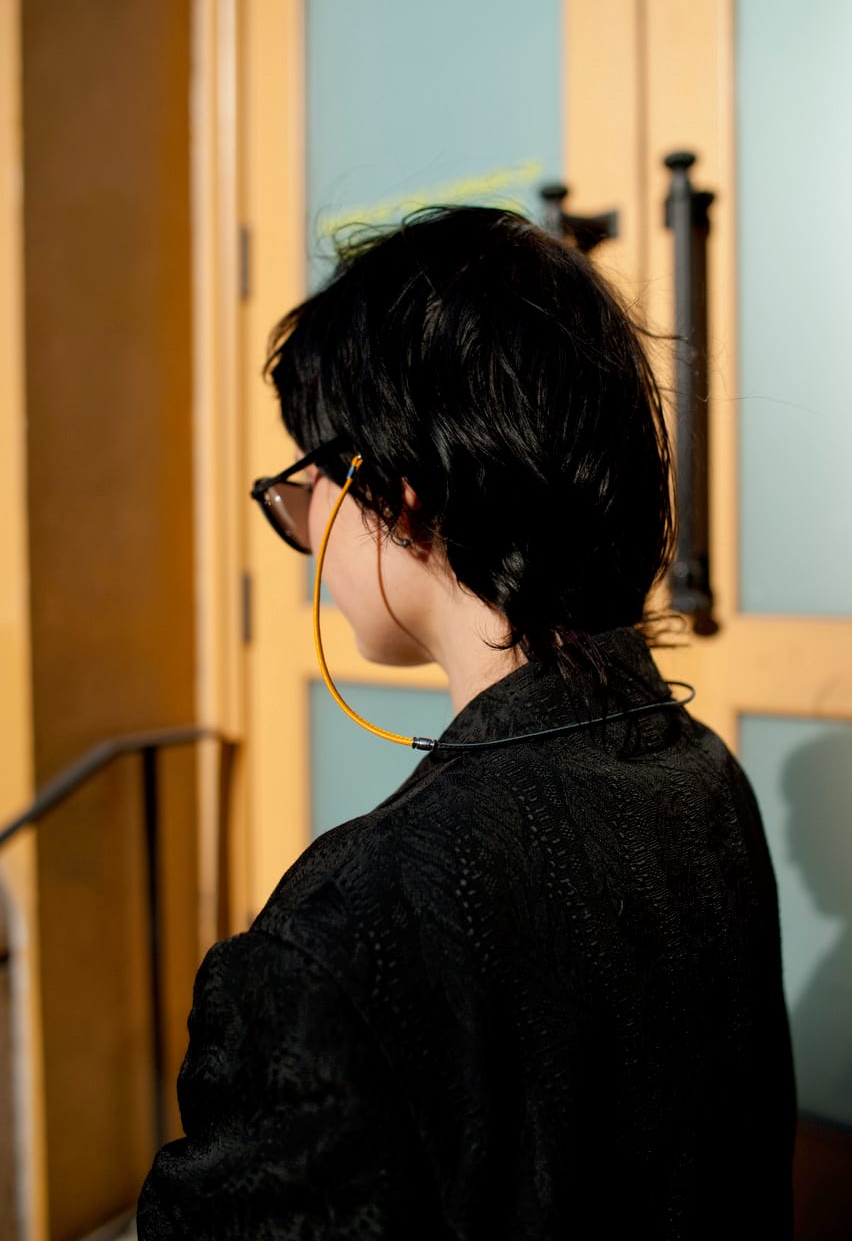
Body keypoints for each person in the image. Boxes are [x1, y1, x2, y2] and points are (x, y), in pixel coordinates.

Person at [138, 206, 795, 1238]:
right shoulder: (700, 768)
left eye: (309, 487)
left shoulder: (335, 935)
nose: (307, 533)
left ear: (395, 491)